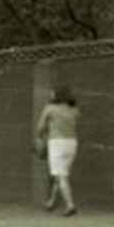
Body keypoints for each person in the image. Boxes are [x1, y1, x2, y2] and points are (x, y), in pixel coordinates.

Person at [36, 85, 80, 216]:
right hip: (72, 143)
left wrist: (39, 138)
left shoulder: (50, 109)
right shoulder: (74, 110)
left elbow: (41, 128)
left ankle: (70, 205)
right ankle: (51, 202)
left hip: (56, 142)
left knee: (61, 176)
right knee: (61, 173)